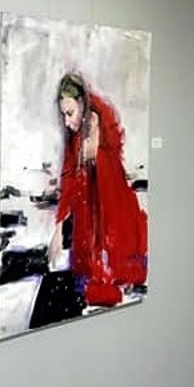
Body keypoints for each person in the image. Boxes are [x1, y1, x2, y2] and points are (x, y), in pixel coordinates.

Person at [49, 73, 148, 308]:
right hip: (89, 218)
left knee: (111, 278)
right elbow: (69, 179)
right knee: (87, 277)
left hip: (112, 213)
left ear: (83, 104)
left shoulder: (103, 124)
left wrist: (95, 156)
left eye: (70, 113)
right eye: (63, 115)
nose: (66, 122)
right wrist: (59, 228)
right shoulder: (75, 138)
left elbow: (111, 176)